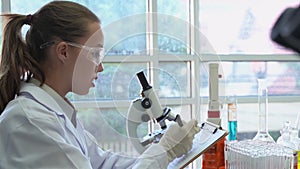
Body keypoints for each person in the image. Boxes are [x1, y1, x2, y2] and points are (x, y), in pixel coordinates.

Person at [0, 1, 200, 168]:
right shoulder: (31, 121)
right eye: (95, 53)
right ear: (63, 52)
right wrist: (165, 150)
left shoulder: (55, 113)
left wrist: (164, 152)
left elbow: (105, 163)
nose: (101, 67)